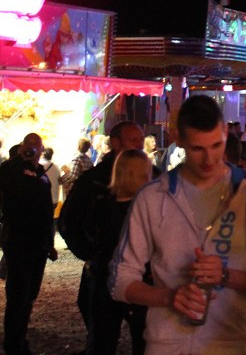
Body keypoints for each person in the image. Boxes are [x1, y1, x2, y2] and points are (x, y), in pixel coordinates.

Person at [109, 96, 246, 355]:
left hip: (231, 341)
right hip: (167, 343)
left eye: (217, 145)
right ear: (180, 140)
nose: (209, 159)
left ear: (225, 132)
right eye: (198, 149)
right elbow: (120, 279)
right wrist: (168, 296)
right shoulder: (153, 197)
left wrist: (225, 275)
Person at [59, 121, 147, 336]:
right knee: (102, 331)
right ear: (116, 143)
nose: (139, 146)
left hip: (144, 272)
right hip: (105, 267)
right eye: (133, 140)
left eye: (141, 141)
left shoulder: (153, 176)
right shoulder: (94, 181)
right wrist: (91, 253)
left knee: (145, 334)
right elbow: (69, 220)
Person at [86, 149, 153, 355]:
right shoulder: (145, 208)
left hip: (105, 274)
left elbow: (90, 235)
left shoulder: (101, 205)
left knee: (104, 338)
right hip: (139, 278)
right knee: (142, 339)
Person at [0, 133, 56, 355]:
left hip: (38, 244)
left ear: (42, 150)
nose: (33, 150)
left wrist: (50, 243)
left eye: (36, 147)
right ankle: (13, 343)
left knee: (30, 294)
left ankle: (19, 339)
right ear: (22, 147)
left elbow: (45, 211)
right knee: (18, 295)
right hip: (19, 241)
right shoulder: (11, 170)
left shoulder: (42, 174)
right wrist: (19, 159)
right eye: (28, 146)